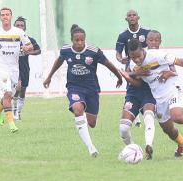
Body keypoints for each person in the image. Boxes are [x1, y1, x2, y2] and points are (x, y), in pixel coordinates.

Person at [123, 38, 183, 156]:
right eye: (133, 57)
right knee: (168, 130)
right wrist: (129, 77)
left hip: (172, 88)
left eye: (138, 56)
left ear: (142, 50)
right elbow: (139, 84)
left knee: (177, 116)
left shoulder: (156, 55)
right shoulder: (132, 65)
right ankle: (182, 143)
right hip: (159, 99)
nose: (137, 59)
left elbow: (180, 61)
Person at [43, 24, 123, 157]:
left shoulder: (93, 51)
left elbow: (108, 63)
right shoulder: (66, 50)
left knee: (92, 123)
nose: (79, 43)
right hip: (74, 87)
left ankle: (82, 119)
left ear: (85, 39)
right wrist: (49, 77)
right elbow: (59, 61)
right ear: (72, 40)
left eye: (82, 40)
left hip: (91, 89)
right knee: (78, 109)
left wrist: (119, 76)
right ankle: (91, 148)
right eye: (76, 40)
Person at [116, 9, 151, 129]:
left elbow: (154, 46)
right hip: (132, 65)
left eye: (134, 15)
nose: (132, 17)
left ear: (138, 17)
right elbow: (118, 54)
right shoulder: (123, 35)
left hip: (147, 64)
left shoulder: (147, 31)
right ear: (126, 19)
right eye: (129, 15)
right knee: (131, 89)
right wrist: (121, 60)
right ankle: (134, 114)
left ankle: (150, 109)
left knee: (149, 86)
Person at [12, 16, 41, 120]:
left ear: (25, 28)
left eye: (22, 25)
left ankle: (18, 112)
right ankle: (14, 110)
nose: (20, 27)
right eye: (17, 25)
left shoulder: (29, 40)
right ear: (14, 27)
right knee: (17, 87)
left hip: (24, 67)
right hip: (13, 67)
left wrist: (29, 52)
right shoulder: (10, 40)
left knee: (23, 90)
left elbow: (38, 50)